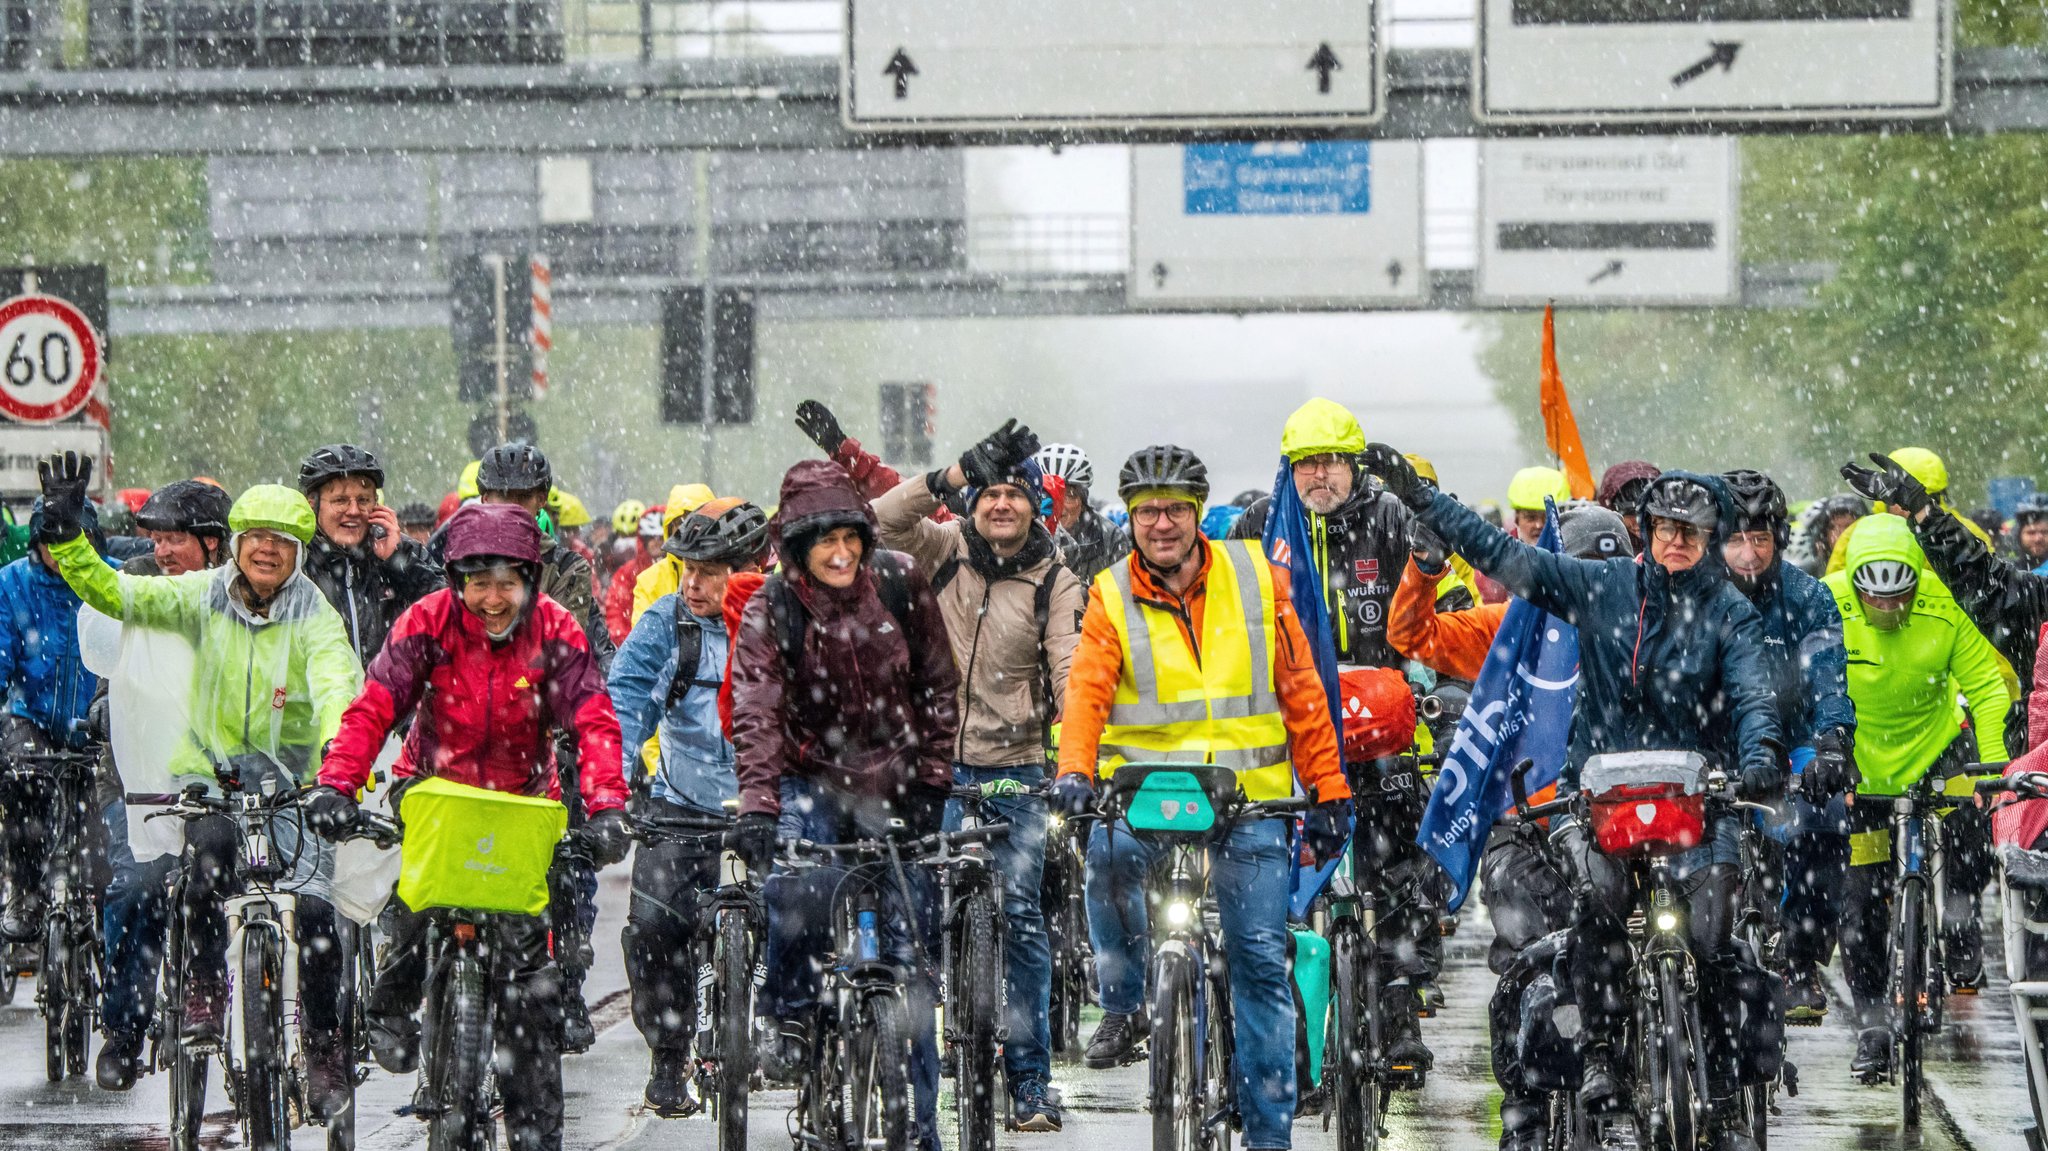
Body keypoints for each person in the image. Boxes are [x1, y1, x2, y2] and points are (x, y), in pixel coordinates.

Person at [1365, 449, 1783, 1151]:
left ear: (1710, 539)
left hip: (1700, 806)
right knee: (1597, 911)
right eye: (1664, 527)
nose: (1676, 540)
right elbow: (1499, 550)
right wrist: (1423, 500)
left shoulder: (1731, 613)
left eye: (1691, 529)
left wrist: (1761, 760)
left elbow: (1754, 695)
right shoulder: (1601, 587)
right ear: (1646, 531)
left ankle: (1718, 1098)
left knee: (1714, 939)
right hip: (1605, 804)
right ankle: (1598, 1061)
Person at [36, 455, 364, 1119]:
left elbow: (337, 683)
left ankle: (325, 1047)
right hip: (195, 777)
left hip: (292, 779)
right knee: (189, 874)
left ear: (296, 553)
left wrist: (338, 757)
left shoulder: (313, 612)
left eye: (281, 543)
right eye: (256, 541)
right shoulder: (200, 594)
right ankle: (198, 994)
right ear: (235, 547)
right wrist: (71, 540)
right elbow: (114, 596)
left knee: (322, 911)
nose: (266, 553)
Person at [1050, 443, 1351, 1151]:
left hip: (1250, 806)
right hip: (1154, 806)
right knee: (1110, 876)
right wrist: (1074, 772)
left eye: (1175, 510)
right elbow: (1088, 691)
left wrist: (1329, 786)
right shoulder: (1109, 592)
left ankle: (1268, 1135)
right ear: (1128, 518)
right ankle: (1131, 1007)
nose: (1161, 524)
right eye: (1148, 511)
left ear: (1196, 515)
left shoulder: (1256, 579)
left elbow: (1302, 691)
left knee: (1255, 964)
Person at [308, 502, 630, 1151]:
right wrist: (336, 782)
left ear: (530, 580)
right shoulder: (426, 620)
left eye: (506, 582)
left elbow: (593, 718)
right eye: (476, 581)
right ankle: (390, 1005)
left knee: (530, 988)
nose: (491, 597)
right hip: (433, 788)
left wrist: (606, 805)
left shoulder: (557, 631)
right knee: (417, 901)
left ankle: (536, 1129)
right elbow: (375, 705)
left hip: (519, 802)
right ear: (455, 580)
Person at [731, 457, 959, 1151]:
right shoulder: (771, 609)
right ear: (796, 547)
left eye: (848, 537)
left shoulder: (900, 581)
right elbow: (758, 711)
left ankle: (921, 1128)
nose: (839, 553)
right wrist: (759, 806)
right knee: (798, 890)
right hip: (809, 776)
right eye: (821, 540)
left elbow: (938, 685)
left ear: (863, 535)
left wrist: (932, 780)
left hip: (896, 781)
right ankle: (794, 1018)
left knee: (912, 957)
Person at [874, 421, 1085, 1132]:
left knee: (1021, 913)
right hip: (932, 760)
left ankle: (1029, 1080)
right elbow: (877, 522)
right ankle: (909, 1070)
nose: (999, 504)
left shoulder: (1056, 579)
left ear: (1036, 507)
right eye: (989, 492)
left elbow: (1069, 665)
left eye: (1014, 495)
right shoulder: (943, 548)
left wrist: (1070, 754)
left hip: (1016, 766)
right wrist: (948, 476)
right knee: (915, 912)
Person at [1230, 398, 1447, 1073]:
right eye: (1305, 464)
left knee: (1401, 859)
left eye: (1330, 462)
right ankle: (1284, 1021)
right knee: (1275, 869)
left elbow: (1437, 599)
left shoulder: (1390, 519)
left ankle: (1398, 999)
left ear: (1354, 465)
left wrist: (1433, 677)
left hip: (1380, 713)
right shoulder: (1262, 525)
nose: (1318, 476)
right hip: (1292, 719)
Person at [1819, 514, 2010, 1079]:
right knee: (1859, 904)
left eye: (1897, 599)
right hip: (1864, 766)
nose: (1886, 611)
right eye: (1873, 600)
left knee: (1972, 829)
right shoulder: (1828, 601)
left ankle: (1957, 922)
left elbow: (1987, 689)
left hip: (1936, 750)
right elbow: (1801, 681)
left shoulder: (1943, 603)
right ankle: (1874, 1024)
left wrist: (1993, 770)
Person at [607, 498, 770, 1116]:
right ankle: (669, 1054)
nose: (693, 584)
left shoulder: (786, 621)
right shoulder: (664, 624)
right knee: (652, 931)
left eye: (710, 569)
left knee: (800, 915)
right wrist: (616, 788)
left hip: (766, 808)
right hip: (681, 807)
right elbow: (624, 705)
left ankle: (784, 1031)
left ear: (750, 566)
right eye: (685, 569)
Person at [467, 441, 613, 1047]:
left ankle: (570, 989)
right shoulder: (454, 560)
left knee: (569, 871)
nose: (513, 509)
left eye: (524, 499)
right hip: (471, 739)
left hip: (550, 742)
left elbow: (590, 659)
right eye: (500, 498)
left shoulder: (570, 570)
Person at [92, 479, 234, 1090]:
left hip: (214, 781)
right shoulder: (133, 585)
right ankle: (123, 1031)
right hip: (140, 784)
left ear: (212, 544)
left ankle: (208, 982)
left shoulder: (241, 598)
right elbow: (108, 667)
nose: (163, 550)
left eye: (176, 539)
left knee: (217, 865)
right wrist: (102, 707)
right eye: (156, 538)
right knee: (137, 887)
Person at [1718, 470, 1859, 1021]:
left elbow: (1828, 675)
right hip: (1718, 747)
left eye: (1761, 539)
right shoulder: (1690, 593)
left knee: (1823, 821)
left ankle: (1800, 957)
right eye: (1735, 539)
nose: (1749, 554)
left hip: (1794, 741)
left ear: (1779, 539)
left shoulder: (1808, 596)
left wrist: (1831, 745)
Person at [1842, 451, 2037, 750]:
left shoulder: (1969, 535)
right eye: (1896, 503)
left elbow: (1989, 603)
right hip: (1883, 686)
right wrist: (1921, 510)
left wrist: (1999, 684)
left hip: (1957, 677)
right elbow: (1987, 584)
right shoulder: (1858, 536)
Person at [0, 497, 110, 942]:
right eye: (52, 544)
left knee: (103, 841)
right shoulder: (12, 584)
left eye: (74, 542)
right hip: (33, 719)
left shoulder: (114, 580)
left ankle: (102, 917)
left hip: (97, 724)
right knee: (24, 780)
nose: (61, 555)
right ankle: (25, 889)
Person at [297, 444, 446, 667]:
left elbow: (448, 614)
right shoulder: (296, 559)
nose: (354, 510)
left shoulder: (401, 550)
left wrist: (398, 561)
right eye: (340, 500)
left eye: (364, 500)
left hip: (391, 699)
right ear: (312, 505)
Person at [605, 506, 665, 644]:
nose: (656, 541)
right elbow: (616, 610)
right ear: (643, 540)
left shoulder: (680, 570)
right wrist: (627, 644)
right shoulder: (627, 573)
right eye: (651, 537)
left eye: (661, 537)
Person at [1596, 459, 1661, 553]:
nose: (1639, 521)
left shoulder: (1677, 541)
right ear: (1611, 511)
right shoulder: (1596, 546)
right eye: (1629, 513)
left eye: (1647, 511)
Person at [1505, 467, 1573, 545]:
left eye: (1548, 518)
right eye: (1531, 518)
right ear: (1516, 519)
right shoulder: (1502, 553)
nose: (1539, 525)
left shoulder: (1575, 550)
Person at [2015, 495, 2048, 571]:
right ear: (2019, 535)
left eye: (2045, 532)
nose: (2038, 539)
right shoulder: (2006, 573)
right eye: (2031, 533)